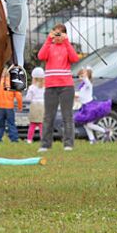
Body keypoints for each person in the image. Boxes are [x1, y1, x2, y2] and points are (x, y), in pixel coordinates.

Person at [37, 23, 79, 152]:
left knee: (67, 116)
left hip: (66, 86)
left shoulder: (67, 47)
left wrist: (66, 42)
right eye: (56, 33)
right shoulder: (49, 46)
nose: (58, 36)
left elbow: (74, 58)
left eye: (60, 33)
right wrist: (49, 40)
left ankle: (68, 144)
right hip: (51, 86)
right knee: (48, 116)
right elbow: (41, 56)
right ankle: (45, 144)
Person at [74, 67, 110, 144]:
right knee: (86, 124)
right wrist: (75, 96)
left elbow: (87, 83)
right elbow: (81, 96)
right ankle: (92, 139)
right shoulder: (82, 86)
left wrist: (85, 76)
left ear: (86, 76)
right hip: (84, 107)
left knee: (89, 124)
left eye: (82, 76)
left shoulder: (88, 84)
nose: (80, 78)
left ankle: (104, 131)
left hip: (90, 107)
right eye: (80, 76)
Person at [0, 70, 22, 142]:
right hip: (9, 106)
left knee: (0, 123)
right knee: (11, 123)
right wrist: (19, 106)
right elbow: (18, 96)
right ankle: (14, 138)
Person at [25, 67, 45, 144]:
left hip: (34, 105)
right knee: (41, 124)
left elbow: (28, 98)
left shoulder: (32, 87)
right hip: (43, 106)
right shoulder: (44, 87)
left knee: (33, 124)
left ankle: (29, 139)